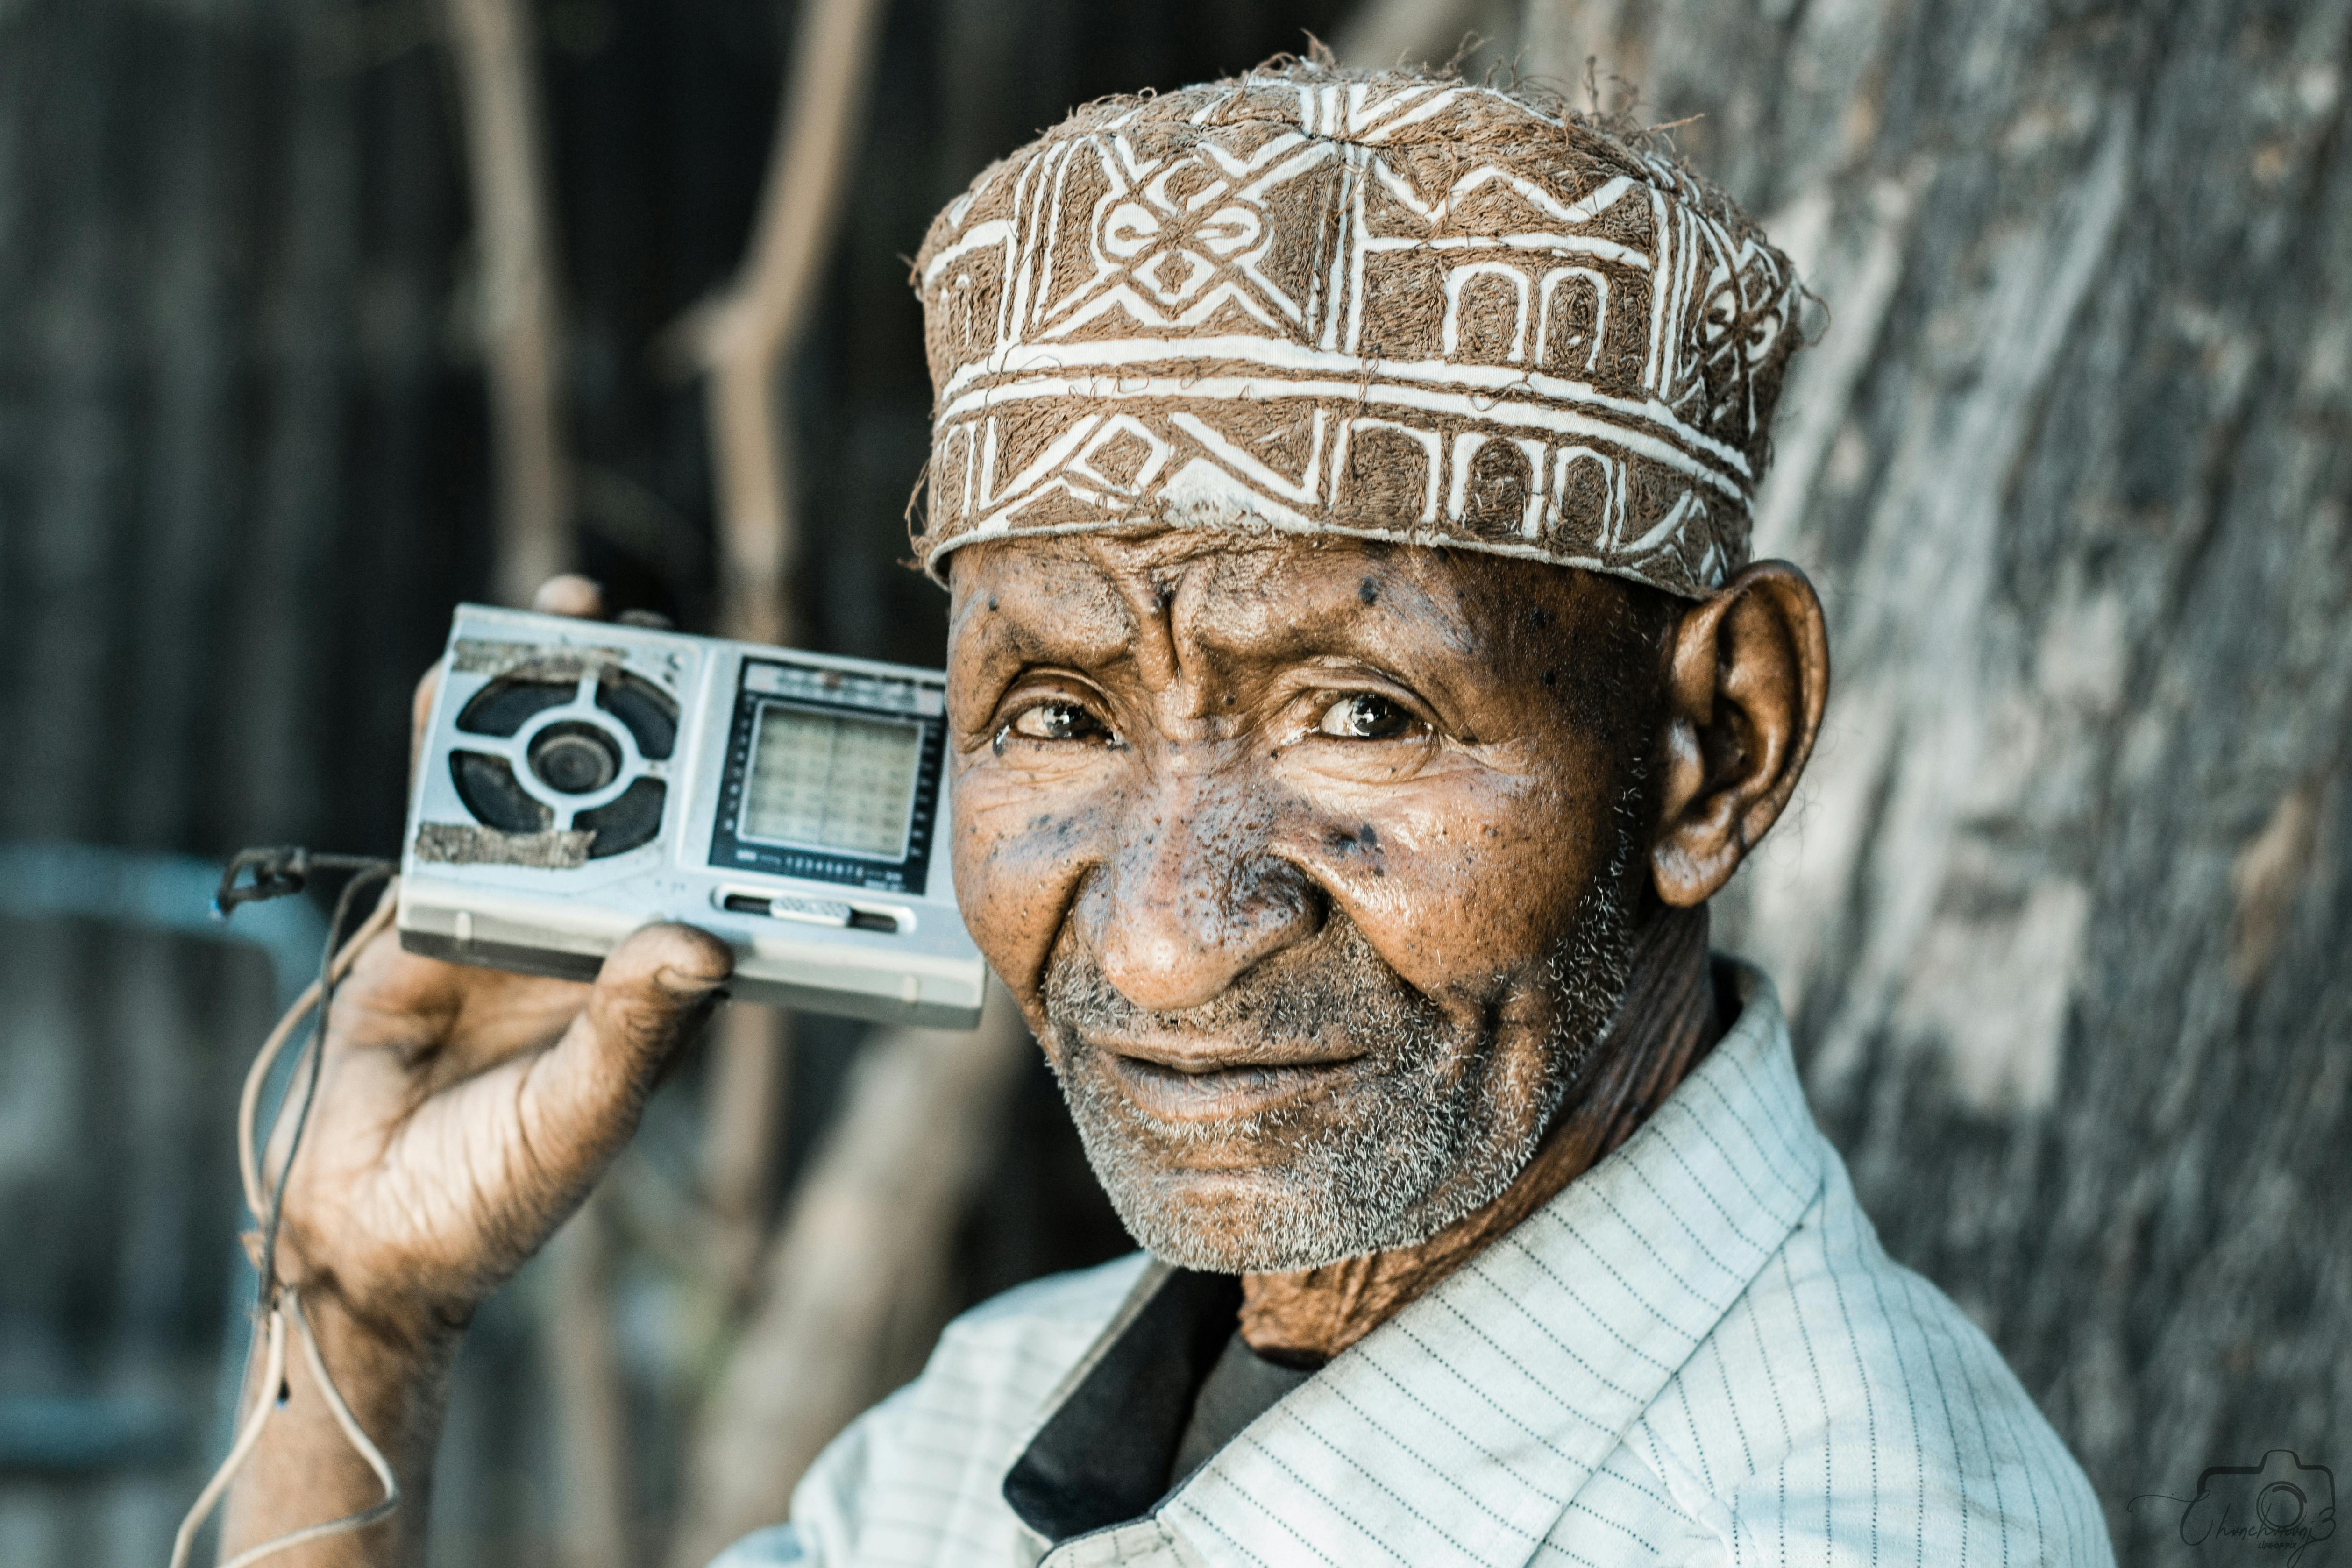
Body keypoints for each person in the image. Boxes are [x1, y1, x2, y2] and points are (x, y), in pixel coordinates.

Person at [220, 62, 2114, 1567]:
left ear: (1715, 745)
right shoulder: (985, 1422)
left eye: (1359, 715)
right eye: (1057, 715)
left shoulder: (1826, 1534)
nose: (1157, 931)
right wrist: (359, 1324)